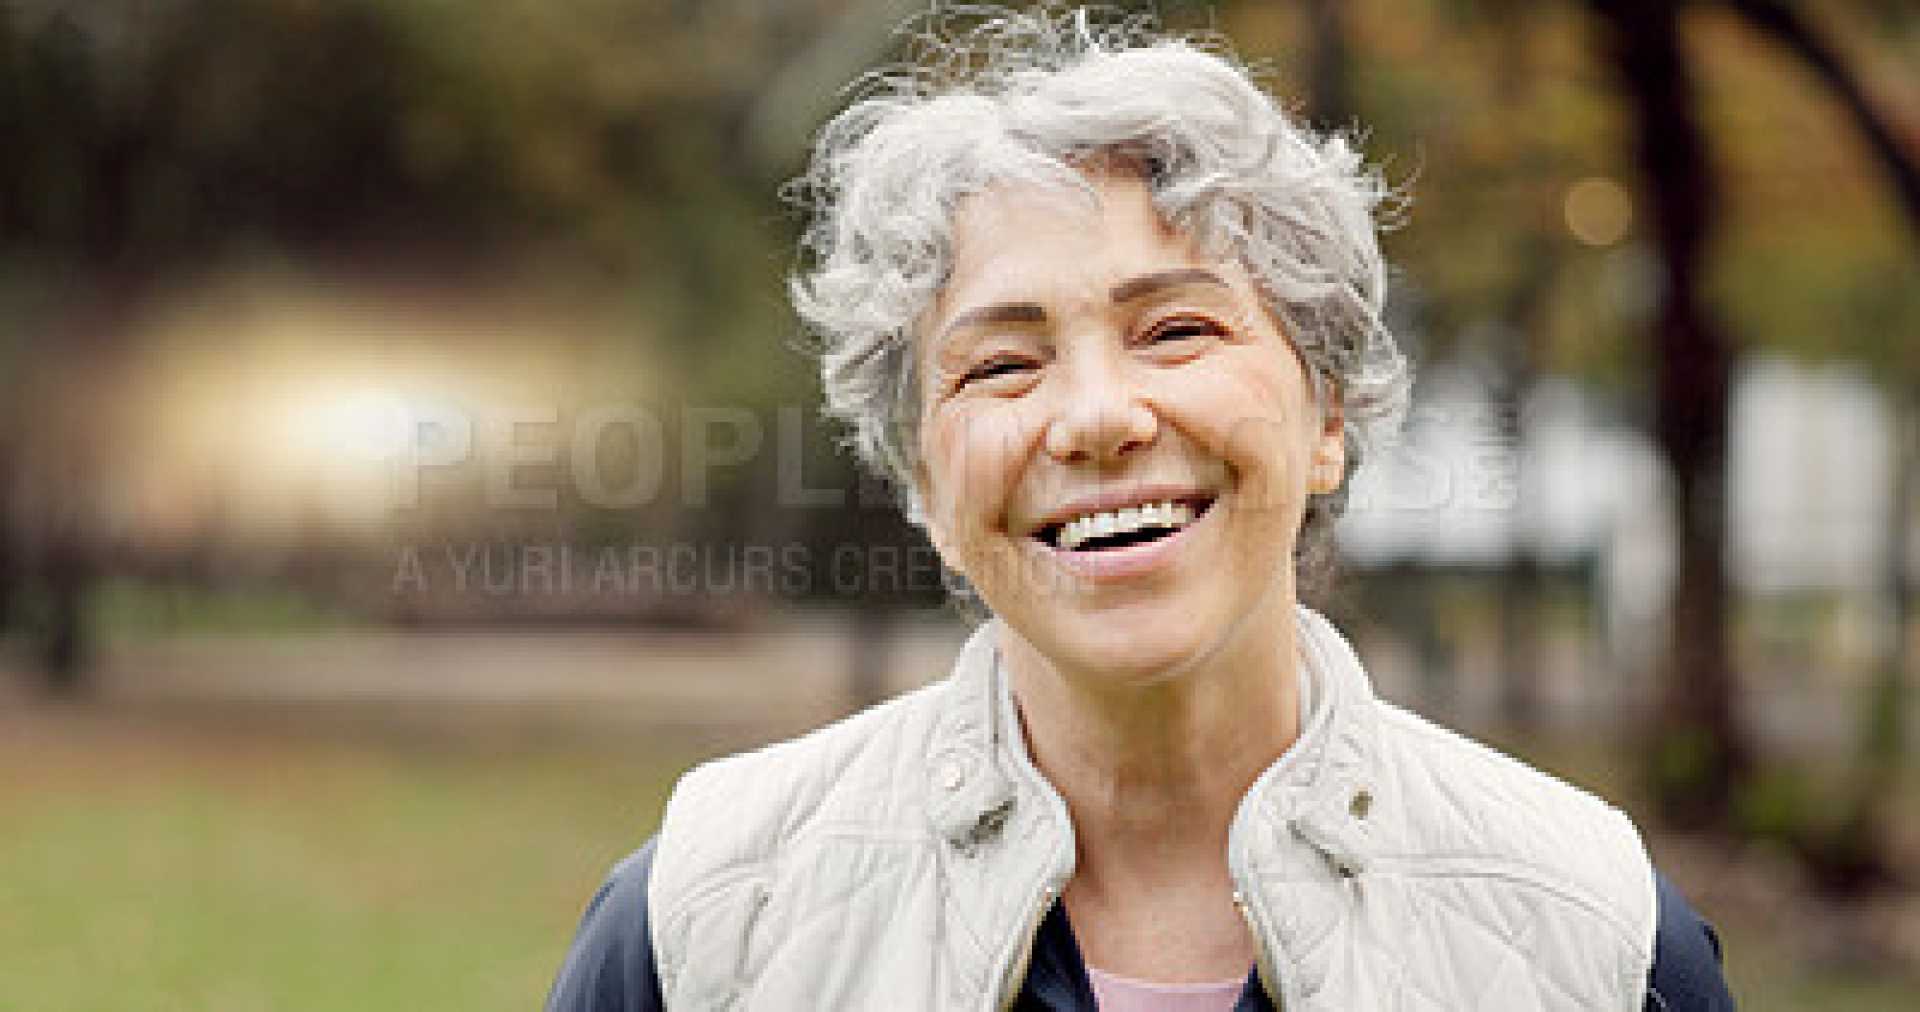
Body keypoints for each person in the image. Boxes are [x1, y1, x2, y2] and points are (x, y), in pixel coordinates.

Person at [548, 7, 1735, 1010]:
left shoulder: (1600, 945)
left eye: (1176, 329)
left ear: (1327, 416)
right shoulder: (700, 928)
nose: (1096, 416)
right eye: (1002, 363)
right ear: (923, 480)